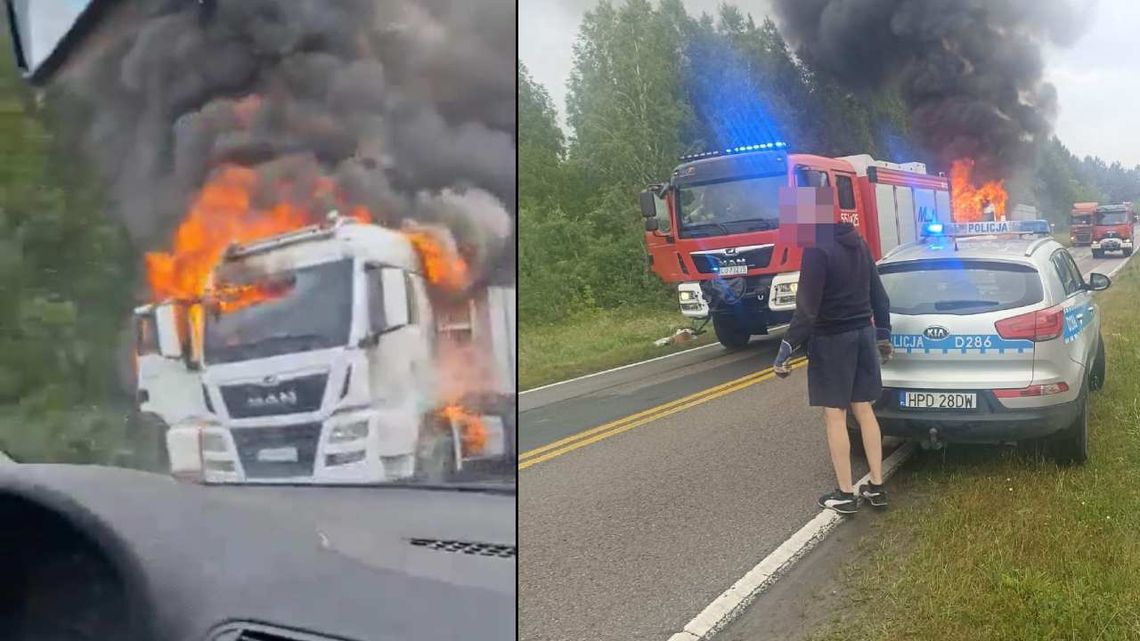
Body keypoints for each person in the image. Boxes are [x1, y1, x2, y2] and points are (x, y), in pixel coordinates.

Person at [772, 221, 893, 514]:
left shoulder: (817, 249)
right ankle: (877, 487)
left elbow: (807, 309)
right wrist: (883, 335)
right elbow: (880, 296)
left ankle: (845, 494)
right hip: (863, 334)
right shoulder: (859, 243)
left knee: (835, 415)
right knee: (864, 409)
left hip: (831, 340)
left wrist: (786, 348)